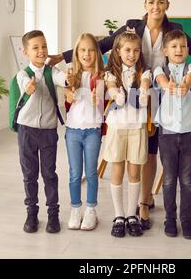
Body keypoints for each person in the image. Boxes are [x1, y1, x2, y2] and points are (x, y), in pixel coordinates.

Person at [49, 0, 191, 228]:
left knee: (150, 149)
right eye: (152, 2)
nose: (156, 6)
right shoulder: (132, 26)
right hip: (131, 92)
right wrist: (63, 57)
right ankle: (130, 205)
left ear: (168, 5)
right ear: (144, 4)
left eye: (161, 2)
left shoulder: (176, 30)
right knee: (136, 149)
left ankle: (143, 202)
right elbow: (101, 45)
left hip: (161, 93)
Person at [15, 30, 70, 233]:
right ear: (26, 52)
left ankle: (53, 214)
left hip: (48, 130)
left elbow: (62, 78)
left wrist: (68, 78)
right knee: (29, 174)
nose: (41, 51)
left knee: (49, 173)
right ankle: (31, 213)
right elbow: (24, 86)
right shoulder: (23, 75)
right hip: (26, 130)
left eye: (44, 46)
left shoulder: (51, 71)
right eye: (36, 47)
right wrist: (29, 88)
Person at [153, 29, 191, 239]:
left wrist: (184, 84)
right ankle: (170, 219)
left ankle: (186, 219)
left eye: (182, 46)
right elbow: (161, 79)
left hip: (190, 132)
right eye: (173, 46)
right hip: (168, 134)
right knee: (169, 180)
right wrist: (169, 86)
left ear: (188, 49)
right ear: (165, 50)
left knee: (187, 180)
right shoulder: (160, 69)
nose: (179, 50)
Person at [103, 31, 151, 238]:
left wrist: (144, 93)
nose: (132, 54)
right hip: (117, 127)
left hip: (137, 127)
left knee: (134, 172)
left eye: (136, 50)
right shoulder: (111, 72)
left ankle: (132, 215)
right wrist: (115, 95)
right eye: (127, 50)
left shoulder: (145, 72)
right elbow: (111, 86)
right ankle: (119, 215)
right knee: (117, 170)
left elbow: (146, 85)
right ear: (118, 51)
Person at [64, 33, 105, 231]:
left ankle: (91, 210)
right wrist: (69, 93)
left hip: (92, 131)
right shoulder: (71, 75)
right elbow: (67, 100)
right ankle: (75, 209)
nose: (87, 54)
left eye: (90, 50)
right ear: (77, 53)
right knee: (74, 173)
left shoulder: (103, 76)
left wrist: (98, 97)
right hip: (73, 131)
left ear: (96, 53)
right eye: (82, 50)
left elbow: (103, 105)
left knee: (90, 173)